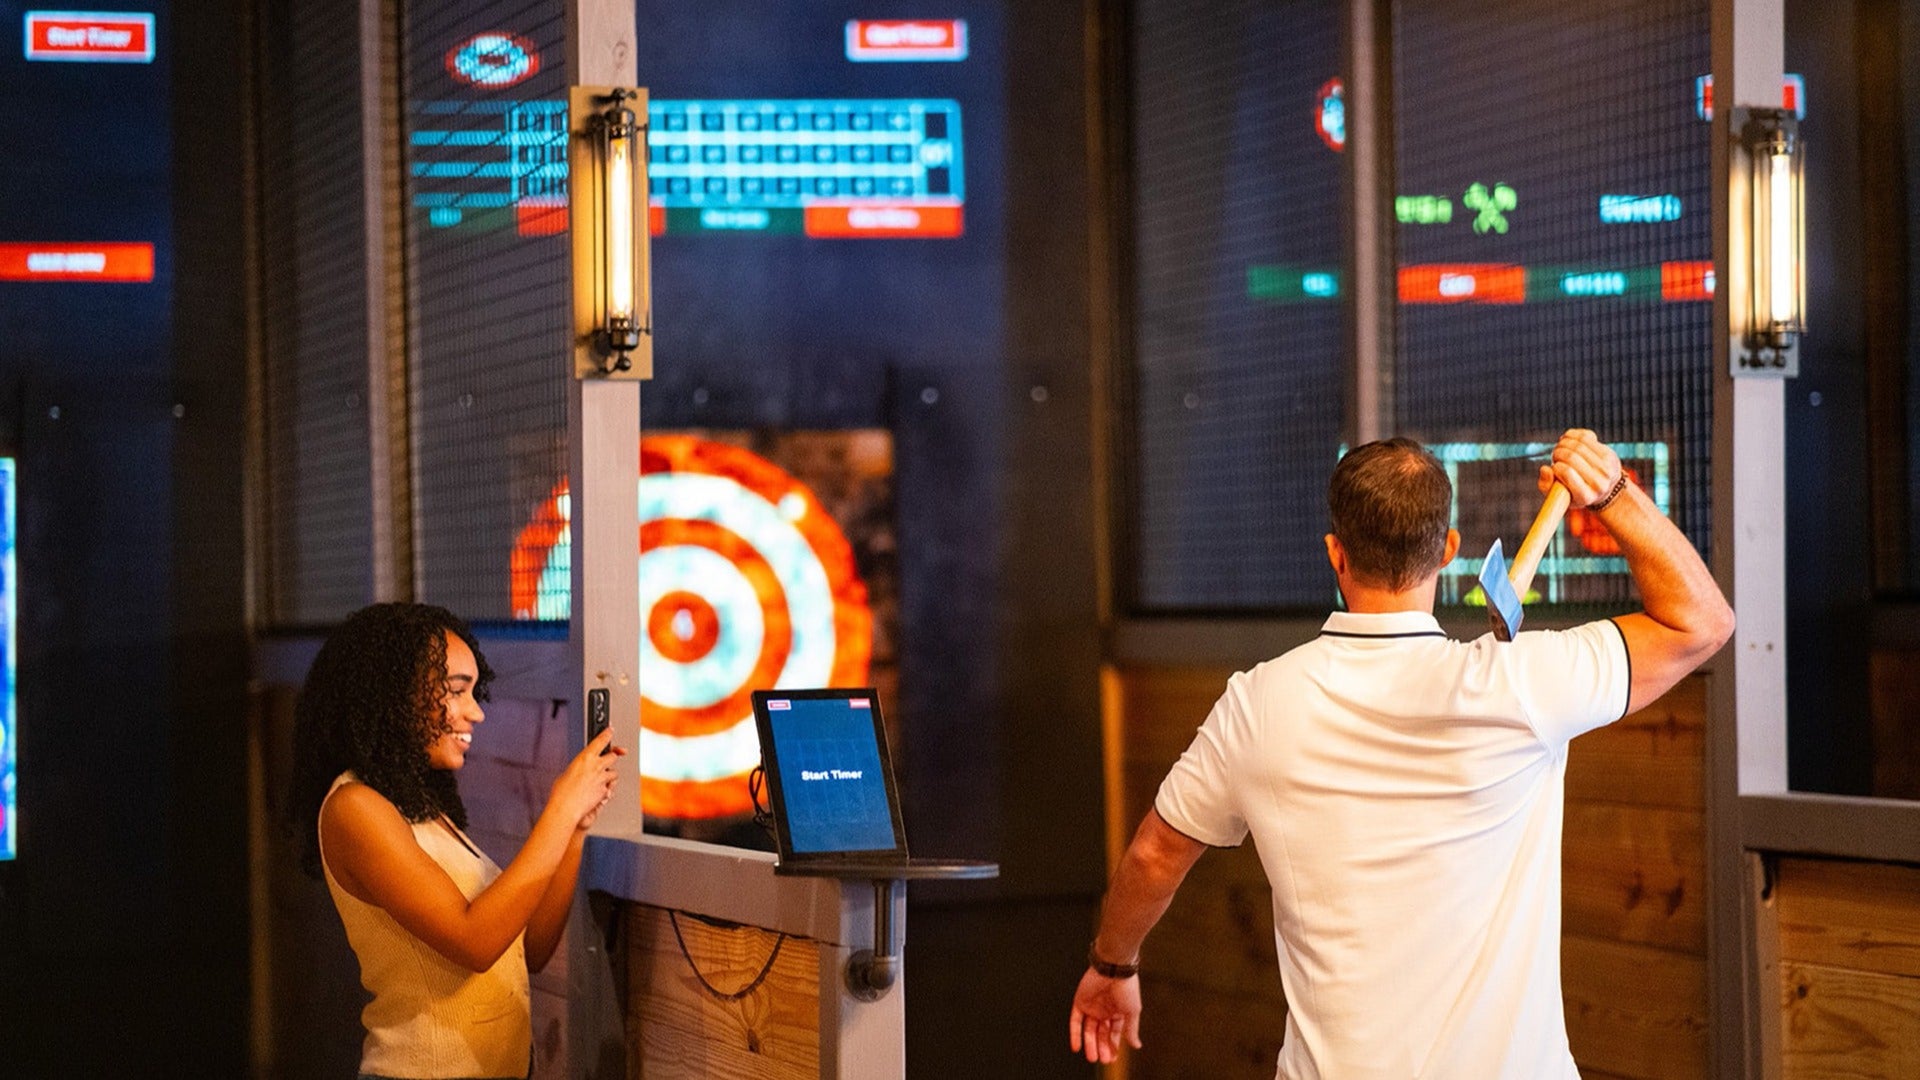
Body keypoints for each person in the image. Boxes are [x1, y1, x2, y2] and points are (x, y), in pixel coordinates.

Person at [1069, 429, 1735, 1078]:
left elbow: (1156, 853)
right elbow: (1703, 623)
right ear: (1447, 548)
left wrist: (1112, 966)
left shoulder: (1257, 703)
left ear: (1336, 554)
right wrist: (1612, 492)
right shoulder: (1520, 682)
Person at [289, 602, 623, 1080]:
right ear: (394, 695)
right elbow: (475, 942)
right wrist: (559, 808)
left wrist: (574, 831)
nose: (476, 713)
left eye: (474, 692)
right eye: (456, 691)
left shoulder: (420, 810)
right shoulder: (354, 807)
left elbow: (528, 949)